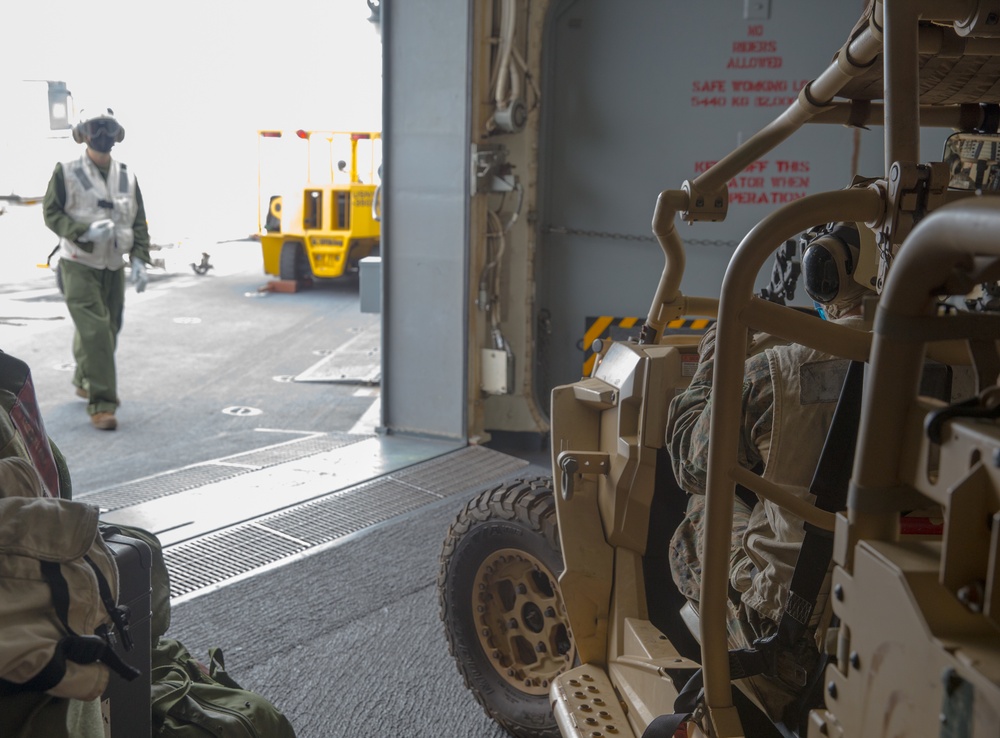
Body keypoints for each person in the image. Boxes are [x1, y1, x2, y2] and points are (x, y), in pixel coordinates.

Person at [664, 222, 873, 719]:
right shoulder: (973, 362)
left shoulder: (773, 371)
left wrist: (711, 372)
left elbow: (691, 464)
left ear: (824, 275)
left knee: (702, 507)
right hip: (887, 623)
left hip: (791, 647)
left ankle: (732, 674)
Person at [42, 107, 152, 431]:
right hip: (79, 264)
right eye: (95, 127)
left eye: (107, 127)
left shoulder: (127, 176)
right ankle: (102, 403)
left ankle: (83, 377)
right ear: (82, 133)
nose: (102, 134)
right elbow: (51, 213)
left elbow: (138, 221)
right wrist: (82, 231)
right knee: (97, 332)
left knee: (109, 328)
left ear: (116, 133)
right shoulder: (66, 171)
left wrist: (141, 259)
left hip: (113, 267)